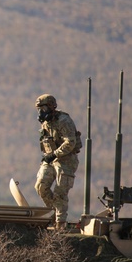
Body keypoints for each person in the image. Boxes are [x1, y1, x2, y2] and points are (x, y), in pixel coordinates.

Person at [34, 94, 81, 228]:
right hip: (50, 158)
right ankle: (53, 212)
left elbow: (70, 142)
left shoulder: (64, 121)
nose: (40, 112)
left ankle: (60, 223)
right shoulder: (46, 122)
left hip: (66, 160)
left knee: (60, 192)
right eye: (39, 109)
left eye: (43, 108)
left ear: (51, 106)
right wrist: (49, 155)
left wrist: (54, 154)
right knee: (41, 186)